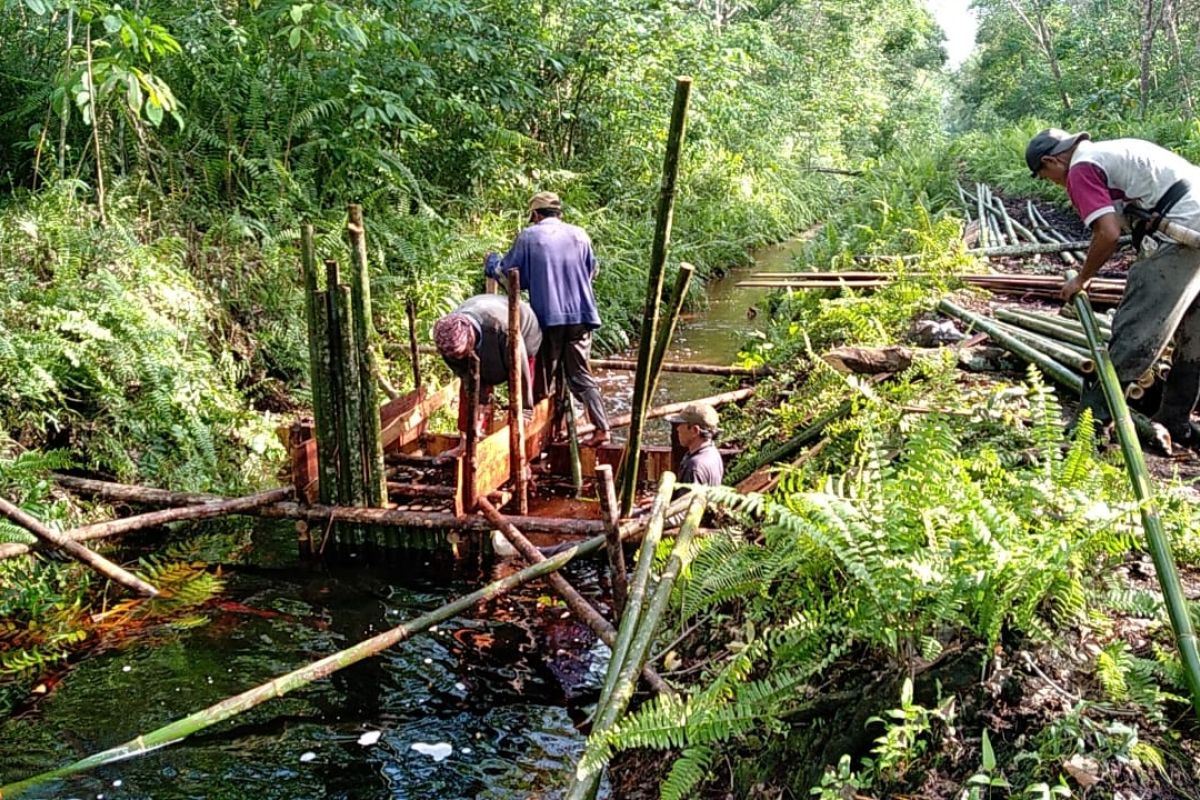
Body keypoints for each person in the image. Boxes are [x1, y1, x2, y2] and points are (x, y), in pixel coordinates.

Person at [1026, 128, 1200, 451]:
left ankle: (1087, 427)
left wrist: (1082, 278)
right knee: (1195, 338)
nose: (1051, 181)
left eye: (1044, 175)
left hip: (1183, 232)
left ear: (1051, 160)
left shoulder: (1081, 168)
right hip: (1194, 218)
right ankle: (1176, 420)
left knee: (1134, 334)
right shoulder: (1109, 152)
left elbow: (1107, 233)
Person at [485, 191, 611, 446]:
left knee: (544, 378)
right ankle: (601, 427)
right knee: (579, 374)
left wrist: (491, 262)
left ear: (535, 214)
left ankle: (540, 439)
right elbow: (592, 270)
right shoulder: (580, 235)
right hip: (581, 316)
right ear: (559, 213)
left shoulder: (529, 236)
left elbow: (508, 274)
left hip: (548, 317)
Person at [431, 294, 541, 464]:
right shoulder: (448, 340)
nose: (457, 358)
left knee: (519, 401)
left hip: (525, 332)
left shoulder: (502, 329)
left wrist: (525, 408)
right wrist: (480, 403)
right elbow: (466, 375)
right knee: (470, 396)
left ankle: (521, 454)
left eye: (461, 354)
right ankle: (466, 444)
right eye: (455, 356)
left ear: (470, 338)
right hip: (487, 337)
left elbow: (521, 371)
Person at [669, 402, 725, 486]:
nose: (678, 429)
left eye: (681, 424)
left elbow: (687, 499)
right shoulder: (713, 452)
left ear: (695, 430)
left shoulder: (695, 466)